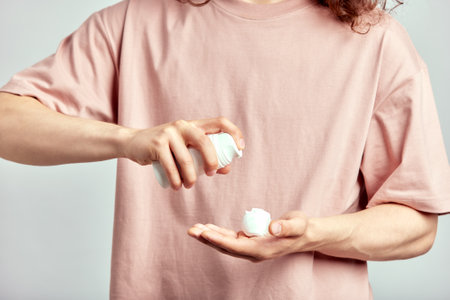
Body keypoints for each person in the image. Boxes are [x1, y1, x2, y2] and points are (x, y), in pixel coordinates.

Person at [0, 0, 449, 299]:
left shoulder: (377, 41)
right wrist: (127, 139)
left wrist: (315, 234)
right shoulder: (134, 21)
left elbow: (416, 223)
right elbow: (7, 122)